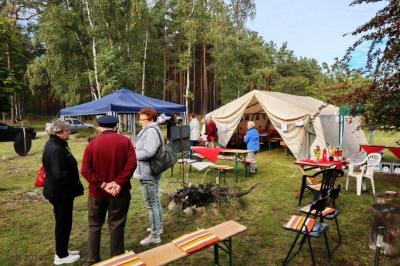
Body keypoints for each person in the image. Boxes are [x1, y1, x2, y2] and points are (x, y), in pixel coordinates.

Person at [81, 115, 137, 265]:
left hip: (97, 193)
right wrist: (117, 183)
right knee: (117, 224)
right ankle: (117, 259)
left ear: (99, 127)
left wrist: (105, 184)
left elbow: (85, 170)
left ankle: (93, 260)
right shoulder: (125, 141)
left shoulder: (92, 144)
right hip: (120, 192)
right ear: (115, 126)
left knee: (94, 225)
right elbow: (131, 164)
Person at [42, 119, 84, 265]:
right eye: (67, 130)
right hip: (60, 193)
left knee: (65, 222)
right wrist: (74, 183)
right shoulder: (55, 149)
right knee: (63, 223)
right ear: (59, 132)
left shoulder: (58, 144)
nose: (69, 132)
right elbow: (59, 174)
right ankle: (61, 256)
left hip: (62, 192)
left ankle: (64, 249)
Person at [134, 108, 164, 245]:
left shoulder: (151, 131)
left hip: (148, 173)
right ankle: (159, 227)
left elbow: (149, 152)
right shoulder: (151, 129)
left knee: (151, 204)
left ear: (150, 119)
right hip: (150, 171)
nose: (140, 122)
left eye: (142, 120)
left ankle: (155, 234)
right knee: (155, 202)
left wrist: (132, 154)